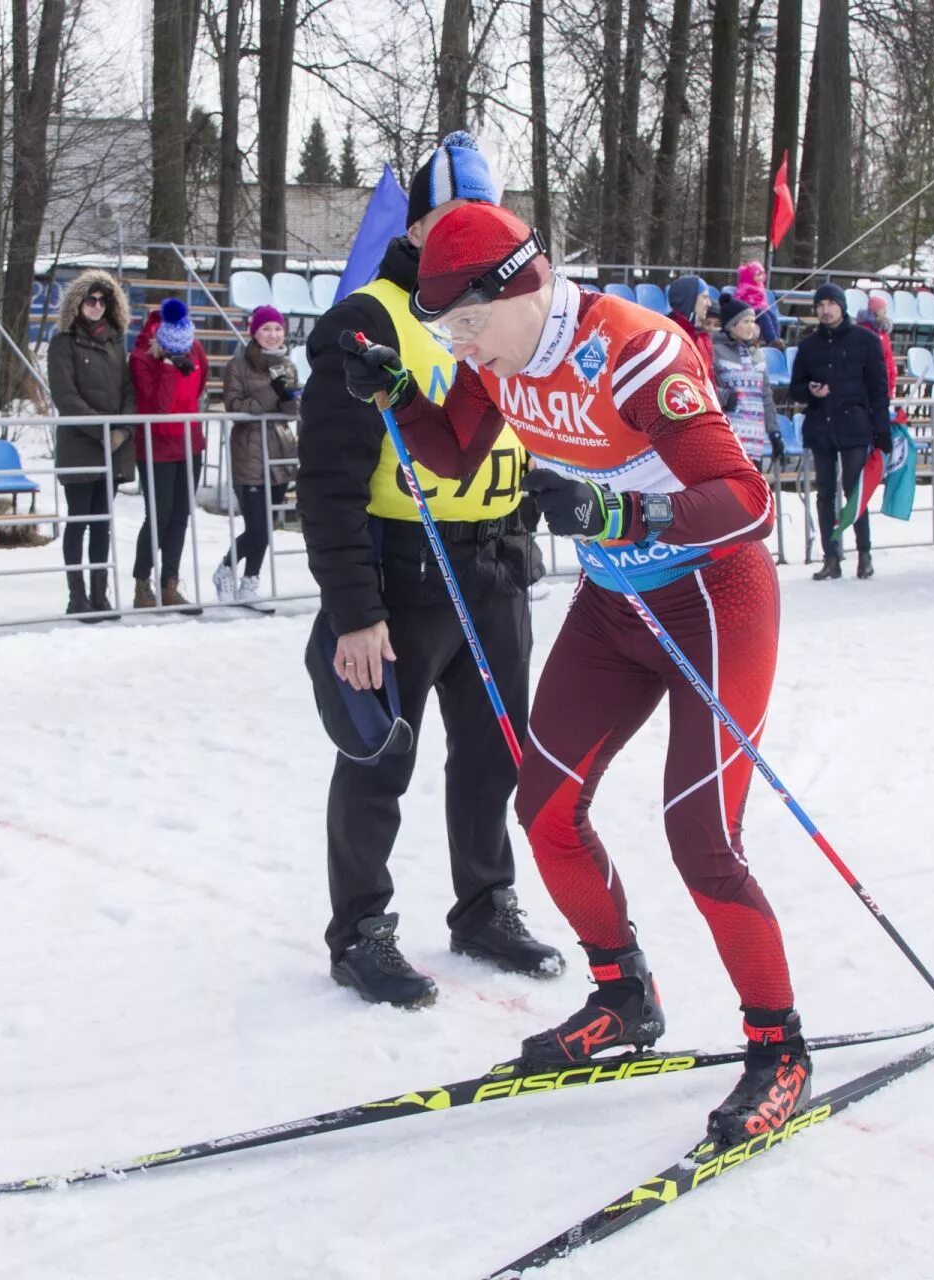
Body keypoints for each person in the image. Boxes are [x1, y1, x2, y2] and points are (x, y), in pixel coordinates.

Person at [343, 201, 808, 1149]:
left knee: (701, 835)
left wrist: (619, 512)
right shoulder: (492, 356)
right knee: (546, 807)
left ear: (524, 286)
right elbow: (450, 447)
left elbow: (747, 502)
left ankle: (779, 1048)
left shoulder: (635, 349)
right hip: (615, 607)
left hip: (714, 597)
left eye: (469, 321)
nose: (461, 344)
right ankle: (622, 993)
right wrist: (394, 389)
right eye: (447, 331)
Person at [299, 130, 561, 1008]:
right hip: (405, 573)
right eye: (447, 219)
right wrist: (352, 611)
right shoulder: (369, 319)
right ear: (412, 229)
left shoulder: (513, 310)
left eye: (480, 220)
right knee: (380, 756)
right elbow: (329, 484)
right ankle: (361, 927)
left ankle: (485, 903)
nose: (463, 238)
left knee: (495, 754)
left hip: (496, 563)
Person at [46, 270, 135, 618]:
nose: (97, 306)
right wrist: (103, 431)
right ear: (78, 303)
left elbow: (129, 390)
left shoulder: (116, 343)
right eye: (91, 300)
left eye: (103, 300)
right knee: (79, 520)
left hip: (114, 447)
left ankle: (100, 594)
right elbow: (66, 397)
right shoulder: (63, 343)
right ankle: (77, 596)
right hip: (81, 446)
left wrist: (123, 430)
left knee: (102, 523)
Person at [791, 282, 891, 581]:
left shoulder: (866, 340)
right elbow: (795, 388)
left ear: (842, 306)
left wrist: (881, 430)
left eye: (831, 304)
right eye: (820, 305)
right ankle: (831, 556)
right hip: (821, 425)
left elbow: (878, 389)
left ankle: (864, 552)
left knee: (854, 490)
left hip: (855, 424)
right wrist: (810, 391)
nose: (825, 309)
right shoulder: (809, 345)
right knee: (825, 493)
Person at [215, 304, 300, 602]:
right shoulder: (237, 366)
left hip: (279, 452)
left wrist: (289, 396)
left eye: (278, 328)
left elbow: (291, 411)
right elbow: (236, 409)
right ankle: (226, 567)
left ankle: (251, 579)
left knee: (268, 527)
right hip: (249, 454)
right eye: (266, 329)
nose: (273, 335)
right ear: (254, 332)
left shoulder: (287, 364)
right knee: (257, 527)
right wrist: (273, 392)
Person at [129, 297, 208, 611]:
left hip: (190, 444)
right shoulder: (140, 358)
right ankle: (141, 582)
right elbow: (158, 407)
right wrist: (168, 367)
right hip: (156, 447)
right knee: (158, 516)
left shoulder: (195, 348)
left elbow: (199, 387)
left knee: (180, 516)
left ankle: (170, 583)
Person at [710, 294, 785, 470]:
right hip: (728, 438)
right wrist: (726, 397)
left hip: (754, 438)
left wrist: (774, 432)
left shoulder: (757, 355)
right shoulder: (716, 351)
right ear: (731, 325)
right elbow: (709, 388)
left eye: (753, 321)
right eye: (746, 321)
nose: (752, 326)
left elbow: (765, 396)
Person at [666, 275, 717, 370]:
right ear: (690, 299)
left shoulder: (703, 337)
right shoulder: (669, 337)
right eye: (704, 297)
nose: (709, 304)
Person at [734, 261, 783, 347]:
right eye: (757, 275)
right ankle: (771, 340)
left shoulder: (760, 286)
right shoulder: (744, 285)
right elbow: (737, 299)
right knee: (764, 317)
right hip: (749, 310)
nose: (760, 278)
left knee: (772, 316)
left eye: (762, 275)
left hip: (760, 309)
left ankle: (777, 339)